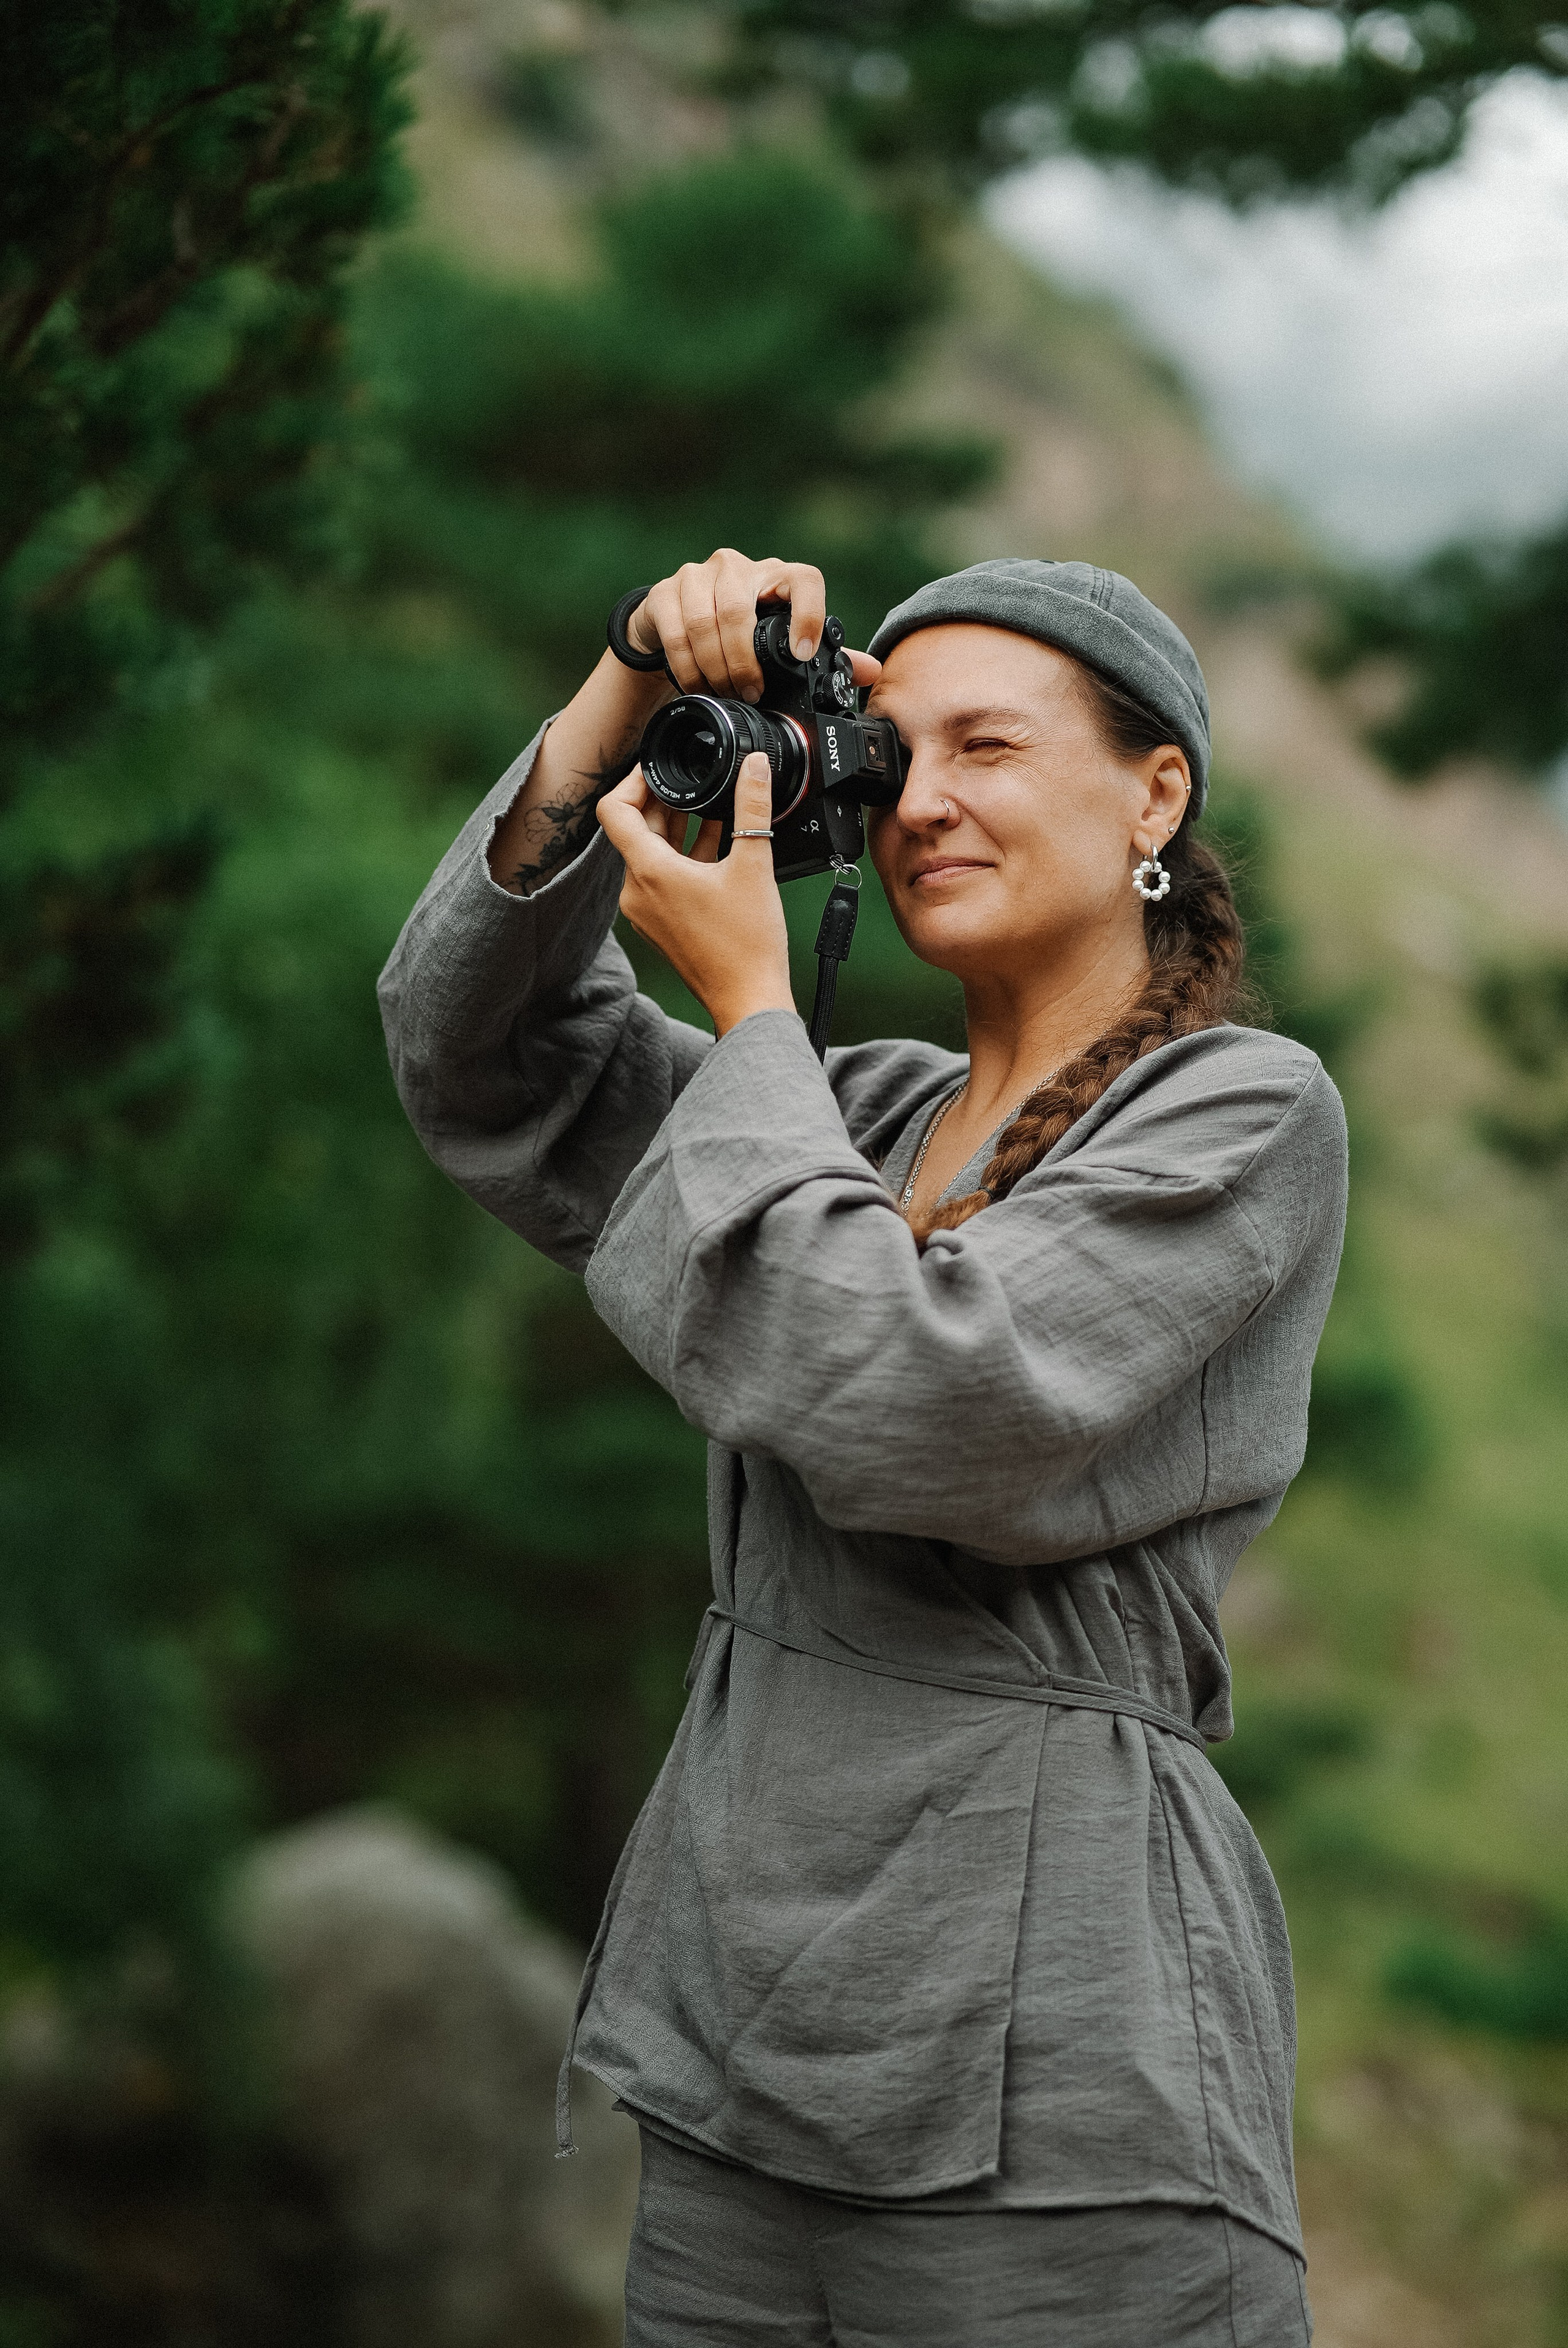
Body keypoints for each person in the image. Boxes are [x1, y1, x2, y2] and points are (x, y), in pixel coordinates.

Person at [379, 550, 1346, 2346]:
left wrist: (751, 1008)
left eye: (991, 745)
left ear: (1157, 790)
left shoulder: (1245, 1113)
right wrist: (617, 687)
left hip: (1061, 2093)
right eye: (896, 757)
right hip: (744, 2055)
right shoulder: (866, 1114)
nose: (930, 800)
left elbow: (919, 1408)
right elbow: (481, 1063)